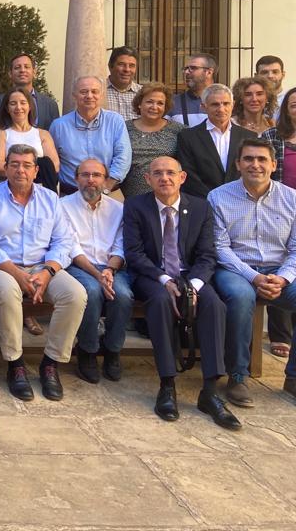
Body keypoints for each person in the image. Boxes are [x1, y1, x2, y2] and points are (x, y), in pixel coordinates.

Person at [122, 156, 240, 430]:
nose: (165, 178)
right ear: (148, 179)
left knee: (214, 305)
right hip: (153, 274)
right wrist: (164, 279)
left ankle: (210, 391)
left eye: (170, 173)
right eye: (158, 174)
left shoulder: (200, 207)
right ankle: (167, 385)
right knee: (161, 301)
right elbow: (134, 254)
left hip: (191, 275)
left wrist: (195, 286)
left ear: (182, 177)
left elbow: (207, 255)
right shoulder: (135, 206)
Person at [0, 144, 85, 401]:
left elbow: (64, 242)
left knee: (76, 295)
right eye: (14, 164)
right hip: (4, 267)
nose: (20, 170)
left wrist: (48, 272)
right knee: (6, 293)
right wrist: (18, 274)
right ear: (5, 168)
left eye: (27, 165)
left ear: (36, 171)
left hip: (43, 267)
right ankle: (15, 364)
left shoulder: (50, 199)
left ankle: (50, 363)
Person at [208, 138, 296, 407]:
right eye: (248, 159)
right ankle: (238, 376)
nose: (254, 165)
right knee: (241, 297)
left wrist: (283, 278)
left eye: (261, 159)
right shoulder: (219, 196)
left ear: (273, 164)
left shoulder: (292, 199)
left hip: (279, 270)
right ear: (238, 164)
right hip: (236, 270)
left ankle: (293, 378)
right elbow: (221, 249)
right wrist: (254, 277)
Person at [60, 159, 133, 383]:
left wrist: (110, 270)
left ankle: (112, 351)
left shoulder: (119, 208)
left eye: (97, 175)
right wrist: (96, 274)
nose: (91, 180)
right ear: (76, 179)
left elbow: (122, 244)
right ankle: (87, 351)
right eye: (85, 175)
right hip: (80, 266)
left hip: (112, 266)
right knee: (91, 292)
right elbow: (69, 246)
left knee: (123, 295)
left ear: (105, 180)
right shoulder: (62, 205)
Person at [49, 76, 131, 194]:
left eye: (94, 91)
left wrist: (107, 186)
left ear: (102, 95)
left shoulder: (115, 121)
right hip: (69, 196)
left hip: (108, 194)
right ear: (74, 95)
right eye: (83, 92)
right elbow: (53, 163)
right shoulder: (59, 126)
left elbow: (123, 156)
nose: (89, 96)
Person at [175, 83, 255, 198]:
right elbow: (189, 175)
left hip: (241, 200)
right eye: (215, 104)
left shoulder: (248, 136)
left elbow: (251, 170)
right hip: (203, 203)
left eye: (226, 103)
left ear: (233, 105)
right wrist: (212, 198)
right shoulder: (188, 137)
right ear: (203, 107)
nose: (221, 109)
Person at [263, 85, 296, 357]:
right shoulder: (273, 135)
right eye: (294, 104)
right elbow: (261, 170)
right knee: (278, 263)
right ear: (286, 109)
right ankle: (280, 335)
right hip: (279, 207)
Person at [0, 87, 59, 190]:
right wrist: (28, 173)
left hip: (40, 190)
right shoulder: (0, 134)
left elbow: (54, 165)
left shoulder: (43, 134)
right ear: (7, 108)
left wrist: (20, 172)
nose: (18, 107)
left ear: (30, 106)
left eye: (23, 103)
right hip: (9, 190)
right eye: (13, 103)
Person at [121, 82, 184, 198]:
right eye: (149, 102)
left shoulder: (179, 130)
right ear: (139, 104)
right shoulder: (123, 128)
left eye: (160, 103)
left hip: (167, 196)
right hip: (134, 198)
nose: (154, 107)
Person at [0, 53, 60, 130]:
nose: (22, 70)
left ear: (34, 72)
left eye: (27, 67)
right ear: (10, 74)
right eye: (17, 67)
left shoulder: (50, 105)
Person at [169, 53, 217, 127]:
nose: (186, 72)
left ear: (209, 72)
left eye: (193, 68)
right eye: (185, 69)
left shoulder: (226, 102)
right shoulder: (173, 103)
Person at [105, 46, 142, 121]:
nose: (127, 69)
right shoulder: (98, 91)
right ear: (110, 66)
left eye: (131, 66)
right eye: (121, 64)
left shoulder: (143, 93)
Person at [256, 55, 286, 121]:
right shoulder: (250, 100)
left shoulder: (290, 99)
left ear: (283, 75)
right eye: (264, 72)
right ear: (256, 76)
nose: (270, 76)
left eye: (275, 72)